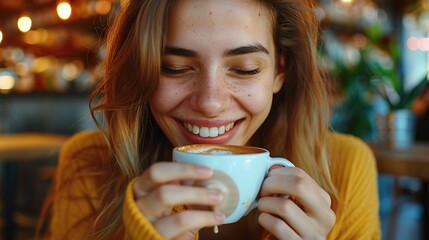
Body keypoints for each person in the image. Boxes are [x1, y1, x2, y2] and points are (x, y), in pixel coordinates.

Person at [39, 0, 380, 239]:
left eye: (245, 70)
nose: (210, 103)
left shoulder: (345, 170)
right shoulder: (90, 165)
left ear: (280, 71)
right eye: (174, 68)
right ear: (141, 70)